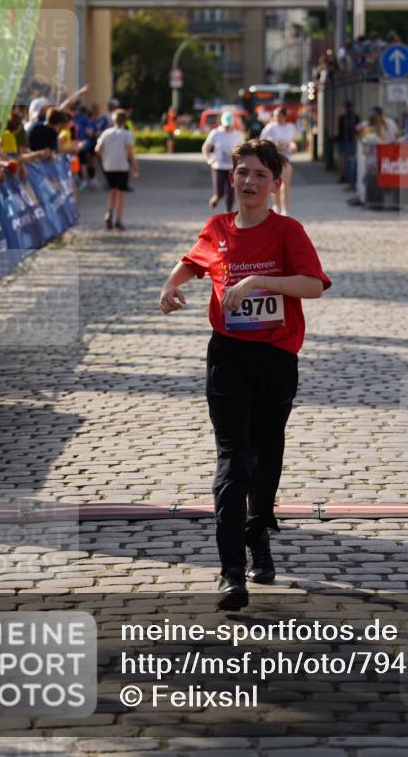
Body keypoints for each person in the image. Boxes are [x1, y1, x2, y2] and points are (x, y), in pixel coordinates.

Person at [158, 138, 331, 610]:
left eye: (260, 175)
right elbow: (193, 262)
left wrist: (259, 281)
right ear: (230, 178)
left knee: (265, 458)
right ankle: (231, 572)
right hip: (228, 357)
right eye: (242, 173)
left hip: (276, 360)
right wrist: (170, 285)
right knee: (233, 460)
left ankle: (259, 532)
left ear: (275, 184)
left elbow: (313, 286)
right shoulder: (216, 228)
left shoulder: (287, 231)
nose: (249, 182)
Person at [95, 108, 139, 230]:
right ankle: (118, 220)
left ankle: (109, 213)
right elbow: (130, 153)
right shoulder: (126, 134)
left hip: (108, 166)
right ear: (125, 121)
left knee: (112, 191)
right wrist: (135, 167)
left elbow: (97, 149)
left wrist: (104, 158)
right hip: (122, 166)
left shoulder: (106, 133)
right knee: (120, 193)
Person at [202, 110, 245, 212]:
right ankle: (216, 197)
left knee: (231, 193)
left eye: (229, 125)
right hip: (218, 167)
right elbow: (206, 147)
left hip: (232, 168)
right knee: (220, 192)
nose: (227, 128)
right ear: (222, 122)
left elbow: (243, 150)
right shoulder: (216, 133)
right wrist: (208, 159)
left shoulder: (238, 134)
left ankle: (228, 212)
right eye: (226, 125)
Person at [260, 107, 298, 215]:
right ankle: (276, 205)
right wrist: (274, 144)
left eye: (279, 116)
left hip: (287, 159)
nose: (277, 118)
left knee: (286, 184)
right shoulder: (270, 127)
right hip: (274, 159)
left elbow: (292, 142)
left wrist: (293, 146)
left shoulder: (290, 127)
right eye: (275, 115)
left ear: (284, 116)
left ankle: (285, 209)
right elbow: (262, 141)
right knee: (275, 184)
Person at [335, 101, 360, 183]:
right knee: (349, 159)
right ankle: (348, 176)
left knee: (342, 159)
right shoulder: (355, 117)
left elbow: (340, 130)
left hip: (345, 140)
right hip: (350, 140)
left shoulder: (342, 118)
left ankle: (343, 176)